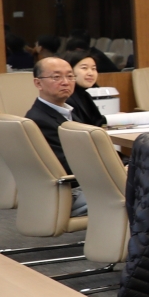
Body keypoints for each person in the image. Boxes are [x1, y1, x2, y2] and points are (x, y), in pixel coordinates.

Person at [24, 57, 90, 214]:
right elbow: (67, 166)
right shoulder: (39, 120)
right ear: (38, 83)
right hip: (70, 192)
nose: (66, 82)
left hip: (81, 185)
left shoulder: (66, 112)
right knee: (141, 190)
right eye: (56, 77)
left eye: (70, 76)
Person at [60, 51, 109, 127]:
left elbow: (96, 121)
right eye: (84, 68)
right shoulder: (66, 97)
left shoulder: (85, 95)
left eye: (93, 68)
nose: (91, 73)